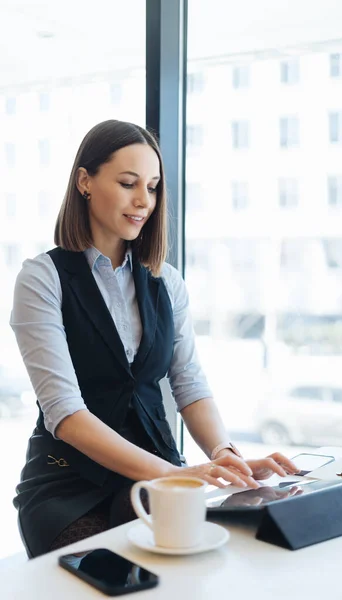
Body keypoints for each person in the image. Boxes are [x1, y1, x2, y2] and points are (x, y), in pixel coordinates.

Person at [10, 119, 297, 558]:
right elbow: (66, 414)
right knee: (122, 577)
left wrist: (222, 455)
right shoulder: (42, 279)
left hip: (158, 477)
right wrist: (175, 475)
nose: (144, 200)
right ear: (85, 181)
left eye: (153, 186)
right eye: (128, 184)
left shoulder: (167, 282)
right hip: (68, 488)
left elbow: (189, 384)